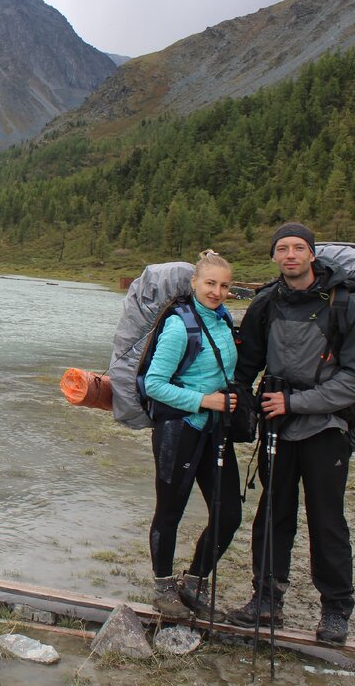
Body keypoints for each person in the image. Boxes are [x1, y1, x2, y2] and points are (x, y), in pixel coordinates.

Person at [226, 222, 355, 646]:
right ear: (274, 257)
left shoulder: (344, 304)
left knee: (327, 520)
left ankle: (336, 611)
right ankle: (266, 600)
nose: (290, 255)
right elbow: (246, 364)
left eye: (298, 248)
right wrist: (235, 403)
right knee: (273, 513)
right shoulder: (265, 303)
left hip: (326, 426)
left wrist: (296, 403)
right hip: (276, 425)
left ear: (312, 254)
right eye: (282, 249)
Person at [146, 250, 242, 620]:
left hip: (215, 431)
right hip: (179, 431)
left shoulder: (223, 320)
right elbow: (155, 385)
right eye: (210, 284)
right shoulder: (178, 326)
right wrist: (205, 400)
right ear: (194, 284)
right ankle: (164, 587)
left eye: (223, 285)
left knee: (229, 513)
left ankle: (194, 582)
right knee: (170, 511)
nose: (216, 291)